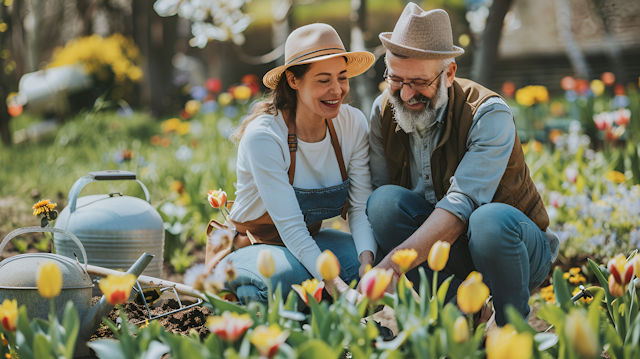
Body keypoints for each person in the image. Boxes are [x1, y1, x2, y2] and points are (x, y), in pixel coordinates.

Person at [364, 2, 559, 327]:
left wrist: (395, 266)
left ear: (449, 73)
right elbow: (377, 199)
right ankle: (464, 314)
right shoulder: (383, 110)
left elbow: (460, 208)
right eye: (396, 78)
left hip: (512, 248)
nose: (406, 94)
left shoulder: (487, 112)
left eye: (419, 82)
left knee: (486, 219)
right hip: (445, 252)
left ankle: (509, 328)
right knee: (382, 203)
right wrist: (368, 268)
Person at [211, 23, 377, 305]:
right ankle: (248, 302)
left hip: (306, 242)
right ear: (293, 80)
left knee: (369, 258)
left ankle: (316, 309)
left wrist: (367, 268)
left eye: (342, 77)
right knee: (286, 276)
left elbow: (360, 207)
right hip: (251, 246)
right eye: (323, 80)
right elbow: (291, 229)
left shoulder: (352, 123)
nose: (336, 90)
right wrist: (340, 288)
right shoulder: (265, 136)